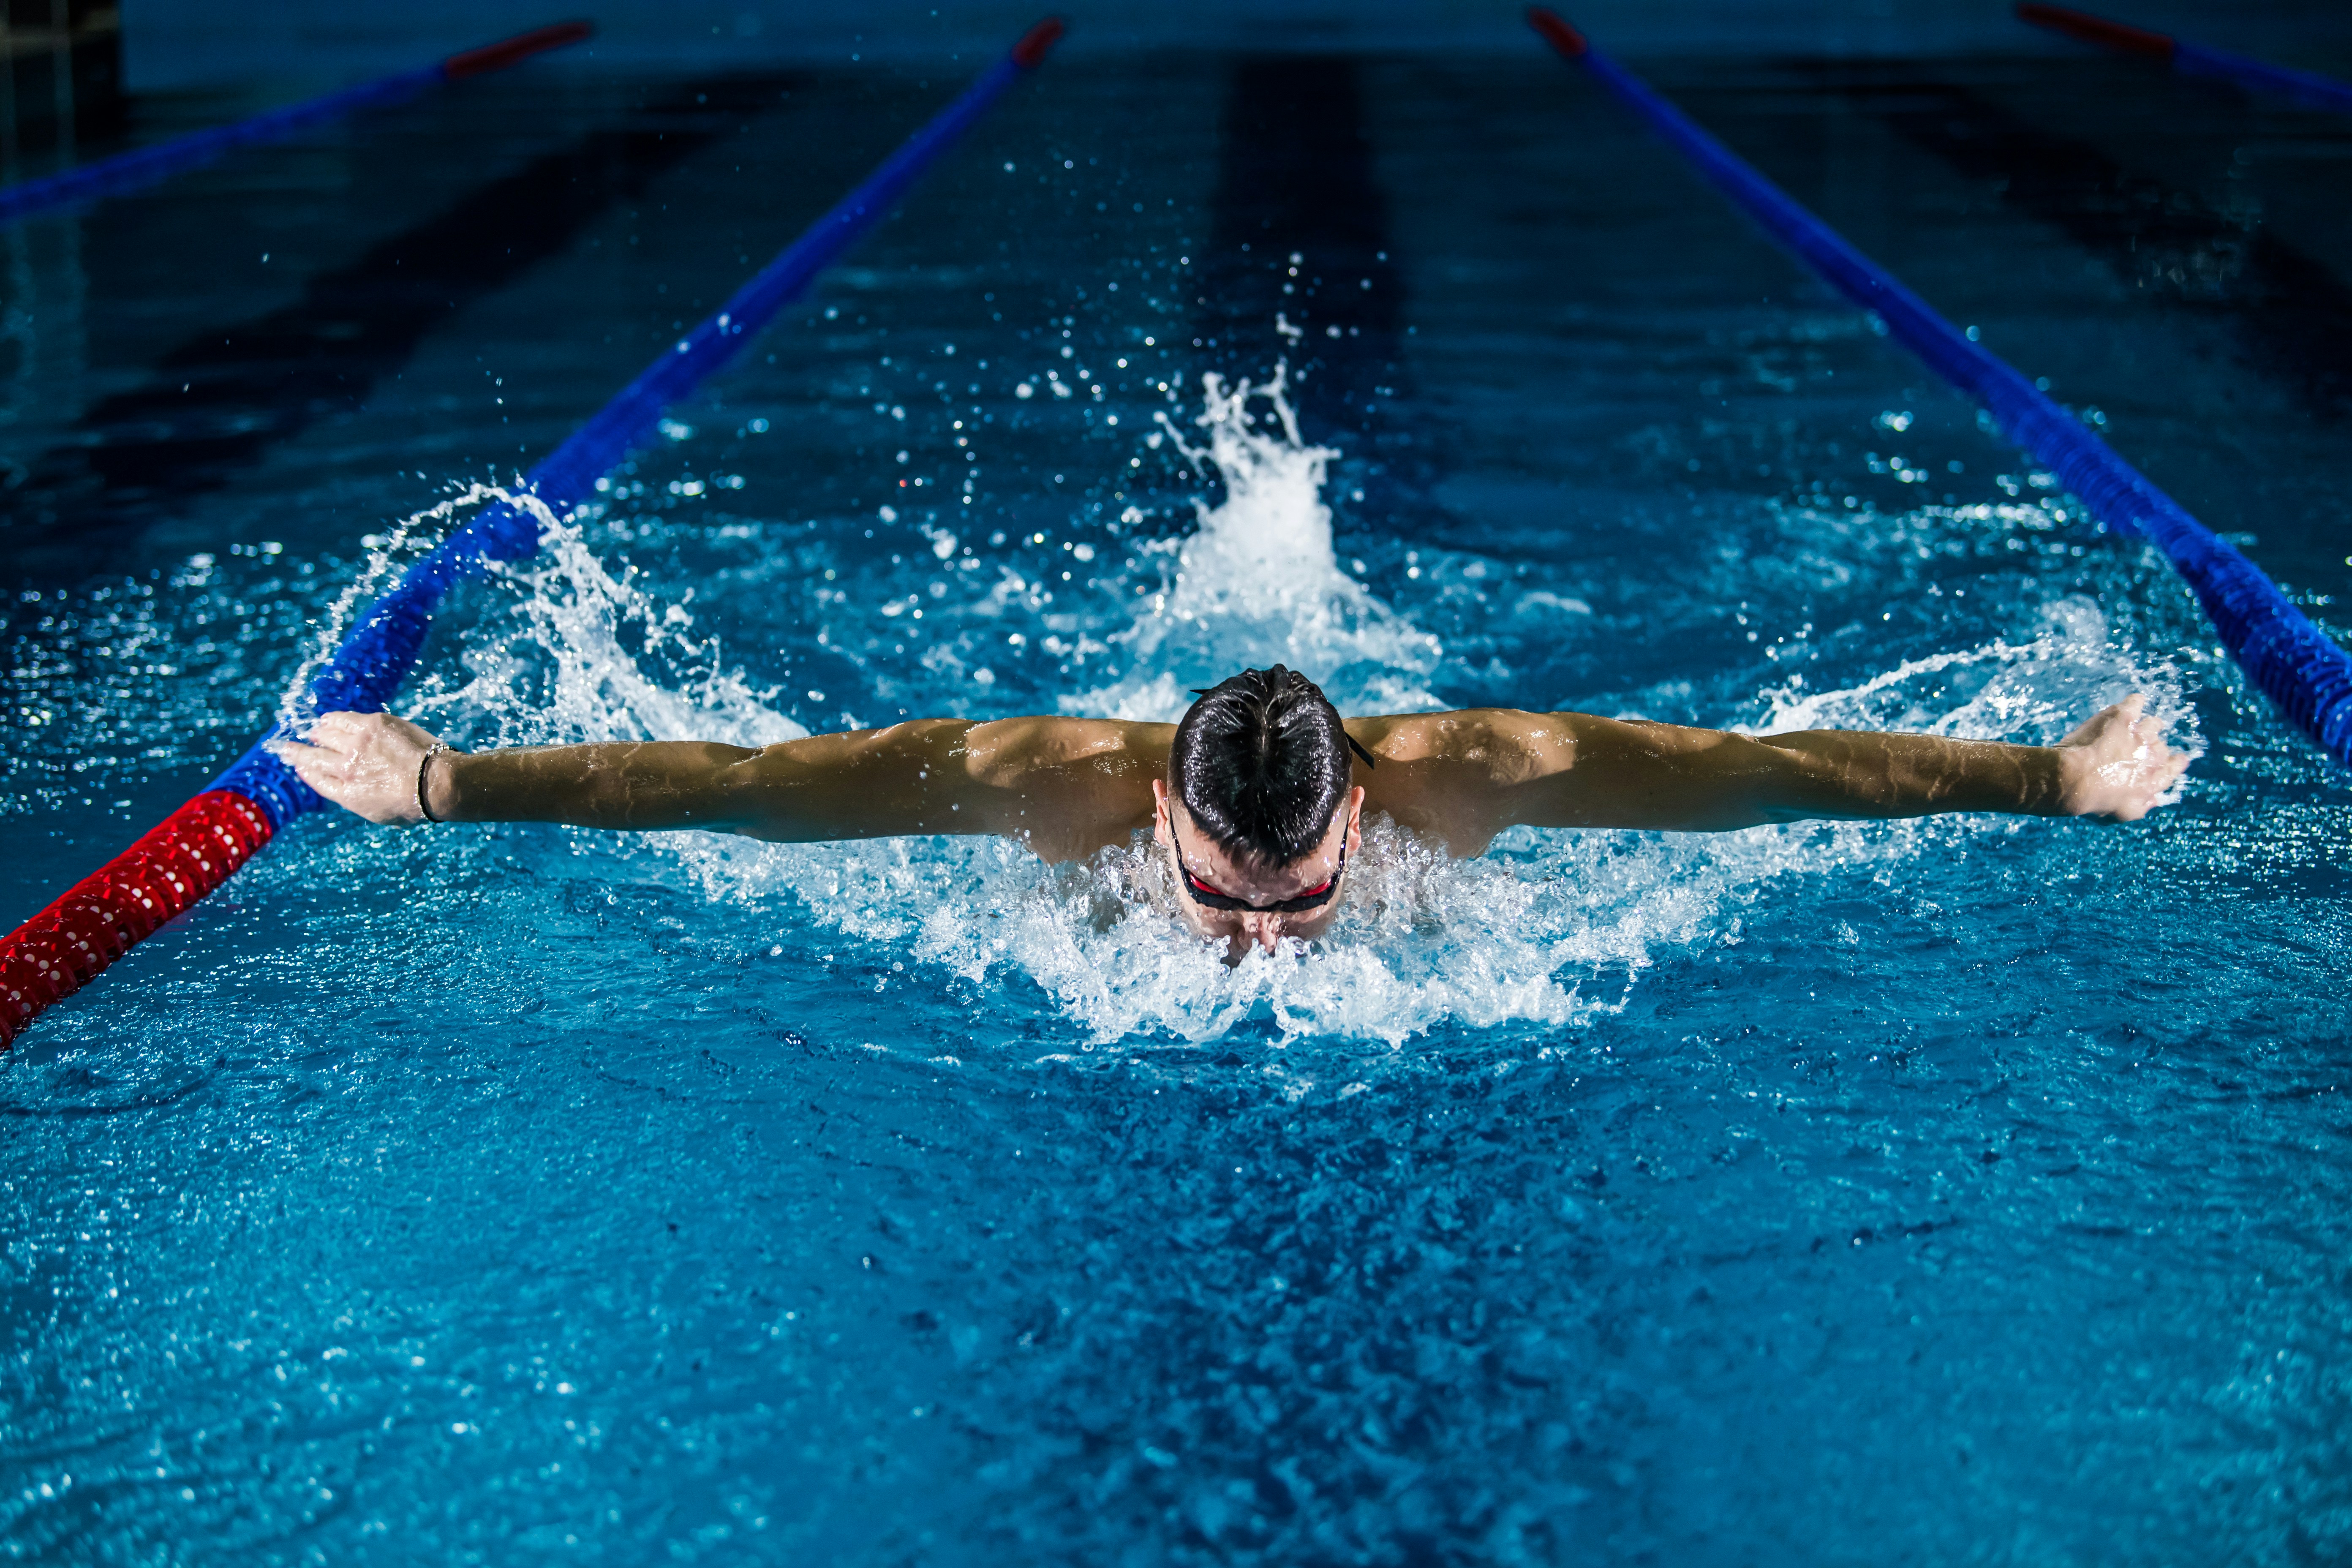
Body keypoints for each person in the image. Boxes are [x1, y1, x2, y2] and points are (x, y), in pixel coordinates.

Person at [280, 664, 2189, 958]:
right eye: (1222, 893)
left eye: (1293, 901)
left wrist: (2054, 780)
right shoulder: (1044, 791)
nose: (1255, 943)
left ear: (1365, 802)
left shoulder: (1485, 773)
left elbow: (1770, 772)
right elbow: (757, 793)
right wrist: (444, 782)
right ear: (1164, 821)